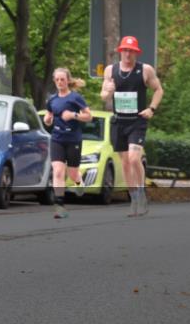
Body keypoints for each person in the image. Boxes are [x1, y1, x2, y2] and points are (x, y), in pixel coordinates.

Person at [100, 36, 164, 217]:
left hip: (137, 121)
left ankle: (142, 192)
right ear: (121, 51)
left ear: (136, 52)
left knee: (135, 158)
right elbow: (103, 96)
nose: (128, 54)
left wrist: (151, 108)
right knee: (126, 163)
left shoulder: (145, 70)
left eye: (131, 51)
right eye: (125, 50)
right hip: (119, 121)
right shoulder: (110, 71)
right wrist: (108, 91)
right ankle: (134, 198)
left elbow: (159, 90)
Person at [43, 68, 91, 219]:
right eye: (57, 80)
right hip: (57, 138)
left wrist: (73, 115)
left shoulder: (75, 98)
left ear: (68, 80)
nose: (59, 82)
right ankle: (60, 207)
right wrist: (47, 119)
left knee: (72, 173)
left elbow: (88, 116)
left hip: (73, 139)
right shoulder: (52, 100)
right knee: (57, 171)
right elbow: (49, 114)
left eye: (62, 79)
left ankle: (79, 182)